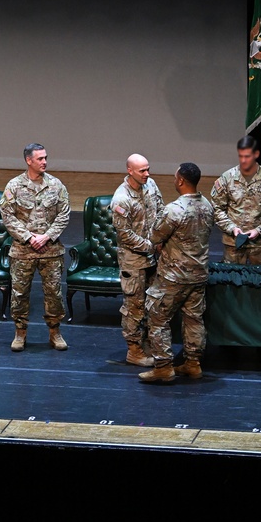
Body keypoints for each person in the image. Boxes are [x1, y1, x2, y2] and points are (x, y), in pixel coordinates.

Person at [140, 162, 215, 383]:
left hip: (174, 276)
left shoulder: (174, 209)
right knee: (194, 319)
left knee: (157, 318)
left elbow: (155, 238)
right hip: (198, 273)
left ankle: (163, 367)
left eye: (175, 177)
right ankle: (193, 363)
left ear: (181, 180)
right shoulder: (208, 206)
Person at [1, 143, 71, 352]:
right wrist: (29, 238)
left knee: (54, 294)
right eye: (40, 159)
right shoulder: (14, 186)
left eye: (45, 158)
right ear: (28, 160)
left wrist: (47, 236)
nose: (44, 162)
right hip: (23, 251)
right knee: (20, 294)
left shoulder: (56, 185)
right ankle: (20, 333)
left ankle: (55, 332)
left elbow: (64, 214)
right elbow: (8, 216)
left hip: (50, 251)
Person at [110, 153, 163, 366]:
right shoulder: (121, 199)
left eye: (148, 169)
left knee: (153, 305)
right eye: (142, 170)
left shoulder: (151, 186)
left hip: (153, 258)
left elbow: (160, 212)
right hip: (134, 261)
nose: (147, 174)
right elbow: (125, 235)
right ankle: (134, 350)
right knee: (134, 308)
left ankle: (149, 345)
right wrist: (151, 246)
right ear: (129, 171)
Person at [210, 135, 261, 265]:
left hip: (260, 245)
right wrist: (231, 227)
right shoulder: (227, 178)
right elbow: (217, 207)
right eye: (241, 156)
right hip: (233, 244)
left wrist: (259, 230)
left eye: (247, 156)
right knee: (232, 281)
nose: (243, 160)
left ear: (256, 154)